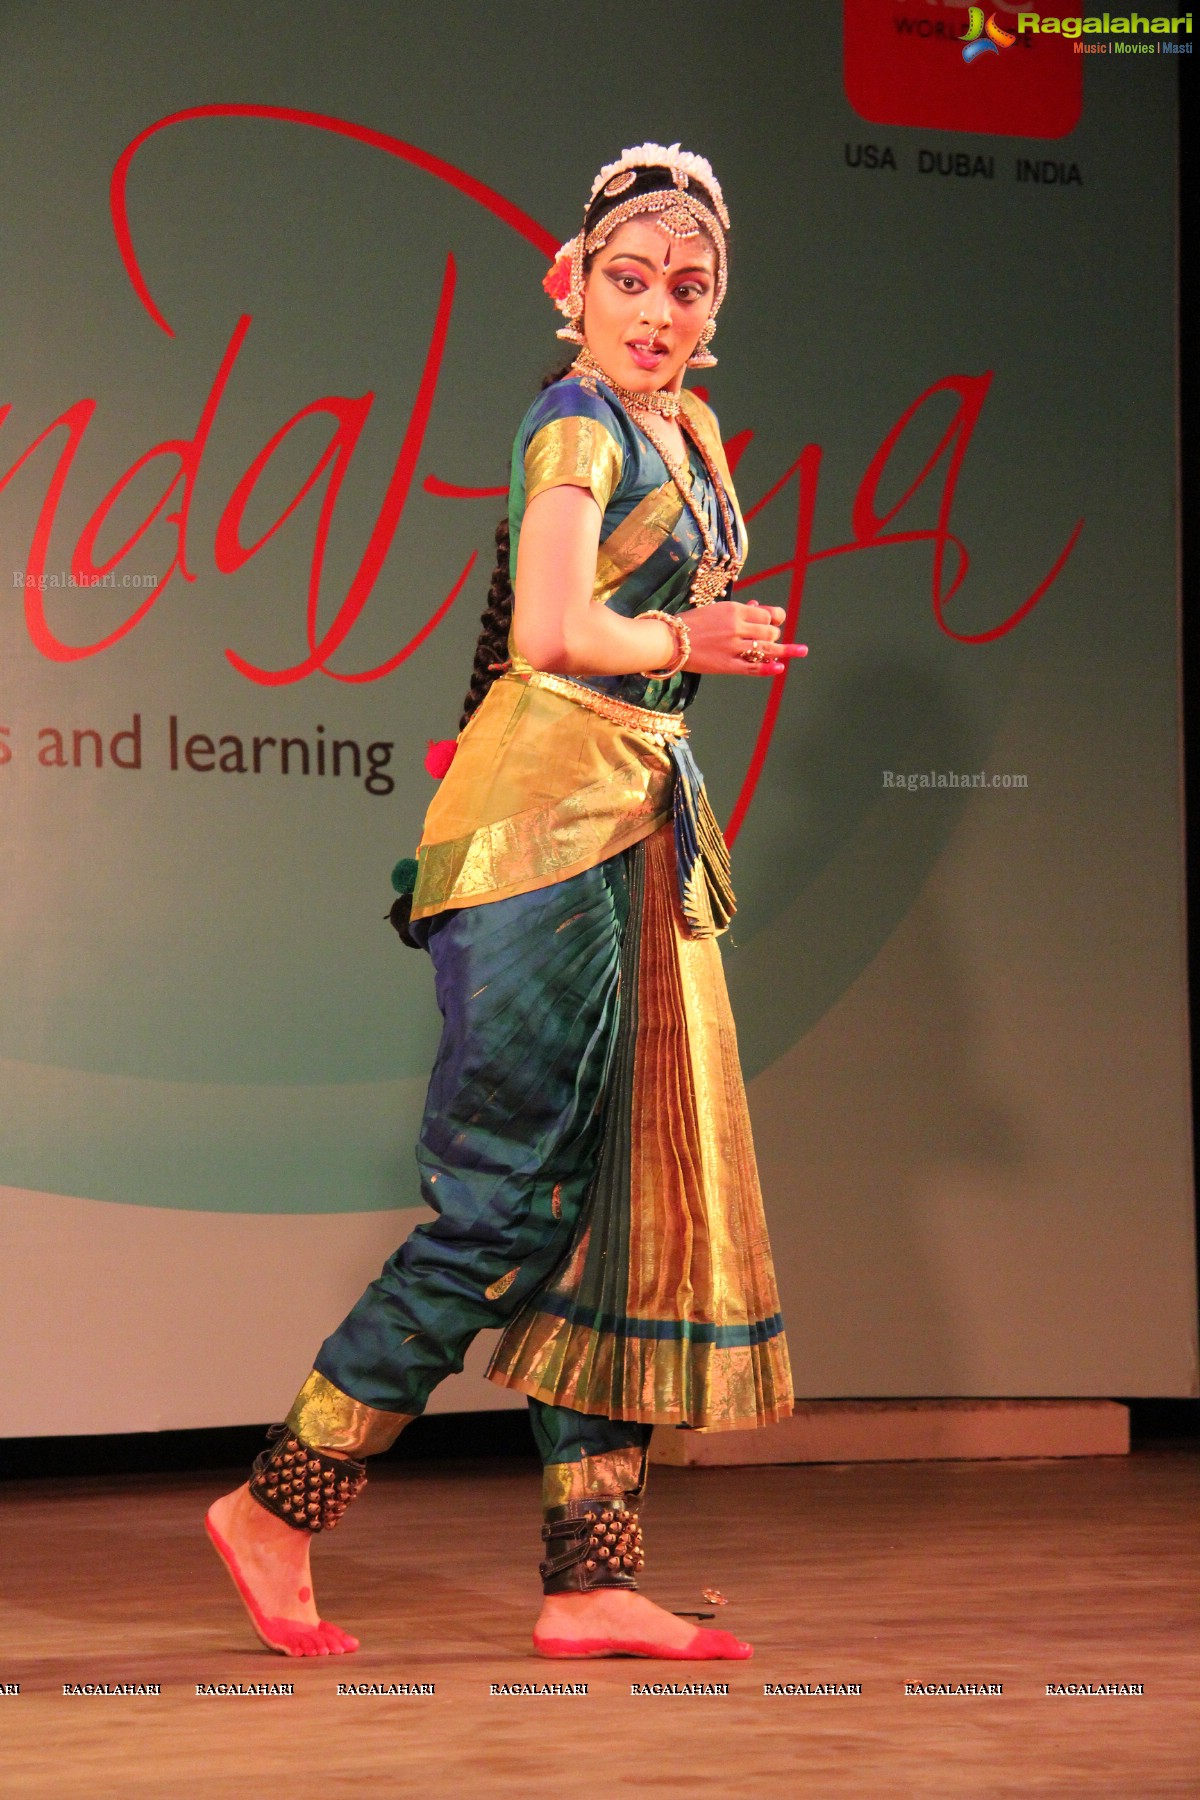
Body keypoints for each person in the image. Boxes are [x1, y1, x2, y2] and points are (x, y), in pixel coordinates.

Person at [206, 141, 803, 1663]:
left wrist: (687, 657)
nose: (656, 311)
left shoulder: (695, 432)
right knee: (506, 1200)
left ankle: (589, 1573)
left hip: (635, 824)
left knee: (607, 1206)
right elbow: (549, 626)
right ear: (570, 285)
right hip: (546, 827)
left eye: (687, 286)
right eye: (629, 280)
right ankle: (279, 1503)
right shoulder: (572, 425)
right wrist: (693, 645)